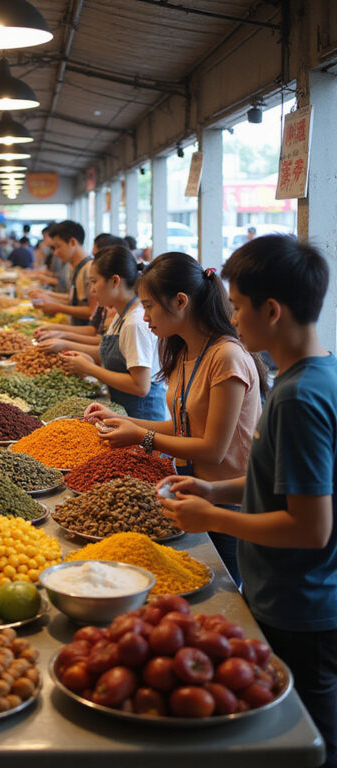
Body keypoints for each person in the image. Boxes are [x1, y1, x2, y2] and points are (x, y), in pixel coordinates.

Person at [159, 235, 337, 768]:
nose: (232, 319)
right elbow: (284, 482)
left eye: (237, 307)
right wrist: (216, 490)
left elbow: (311, 527)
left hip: (300, 601)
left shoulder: (299, 399)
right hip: (295, 593)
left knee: (309, 738)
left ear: (273, 311)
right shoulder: (314, 376)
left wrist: (213, 517)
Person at [85, 251, 265, 584]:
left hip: (226, 503)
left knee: (224, 590)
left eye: (150, 306)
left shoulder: (226, 356)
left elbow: (212, 448)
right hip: (190, 492)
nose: (145, 315)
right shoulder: (182, 350)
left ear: (180, 301)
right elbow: (184, 427)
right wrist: (124, 421)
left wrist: (142, 437)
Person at [59, 245, 168, 419]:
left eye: (94, 282)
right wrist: (83, 357)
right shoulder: (121, 314)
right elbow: (116, 353)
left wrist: (91, 368)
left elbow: (140, 386)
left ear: (115, 281)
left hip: (142, 418)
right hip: (125, 413)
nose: (92, 290)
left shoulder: (135, 323)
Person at [29, 220, 97, 326]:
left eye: (58, 246)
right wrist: (48, 296)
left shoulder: (90, 269)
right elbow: (73, 299)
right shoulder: (74, 266)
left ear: (72, 242)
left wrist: (57, 307)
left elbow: (92, 311)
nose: (55, 252)